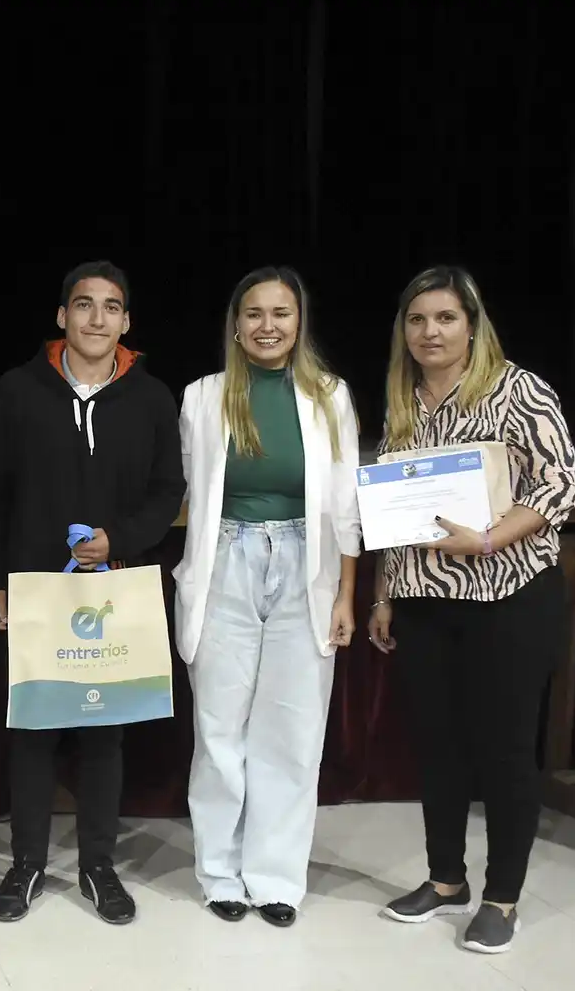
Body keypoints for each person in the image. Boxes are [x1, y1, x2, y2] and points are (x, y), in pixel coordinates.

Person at [368, 266, 575, 954]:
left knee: (504, 751)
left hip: (509, 596)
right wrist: (382, 595)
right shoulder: (404, 399)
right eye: (417, 319)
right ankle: (445, 879)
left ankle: (503, 897)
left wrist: (487, 538)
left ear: (472, 323)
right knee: (436, 747)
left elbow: (561, 483)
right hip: (425, 601)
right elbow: (391, 511)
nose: (430, 332)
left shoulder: (516, 388)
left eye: (445, 318)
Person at [0, 261, 185, 924]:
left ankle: (98, 866)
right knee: (33, 734)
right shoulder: (18, 390)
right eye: (84, 306)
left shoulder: (150, 397)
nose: (97, 318)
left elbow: (166, 492)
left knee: (103, 738)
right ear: (62, 317)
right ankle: (27, 864)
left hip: (115, 593)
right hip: (37, 592)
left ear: (126, 321)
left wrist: (116, 540)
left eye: (111, 307)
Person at [174, 267, 361, 927]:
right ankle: (221, 873)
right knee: (220, 728)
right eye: (254, 313)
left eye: (281, 313)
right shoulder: (202, 397)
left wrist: (344, 592)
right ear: (235, 323)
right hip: (227, 560)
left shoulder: (329, 396)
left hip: (304, 564)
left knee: (291, 727)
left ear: (299, 322)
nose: (267, 326)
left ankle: (276, 878)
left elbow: (344, 504)